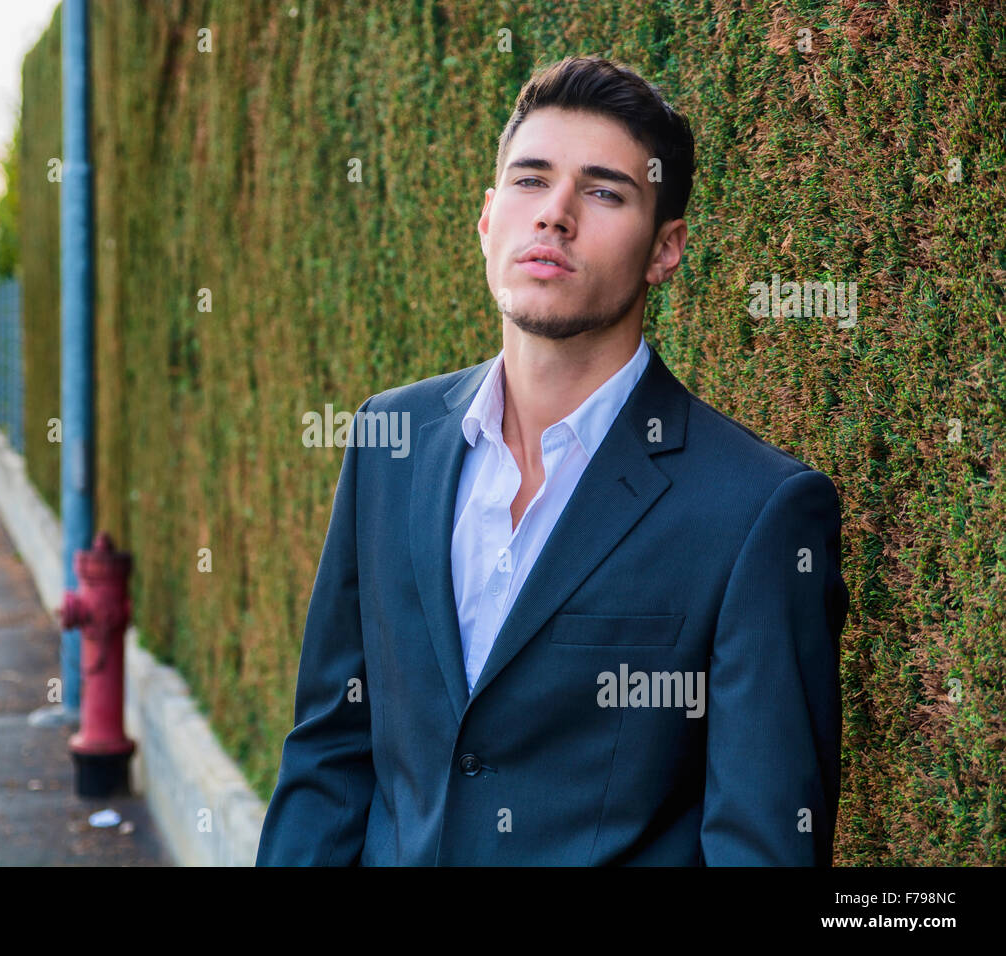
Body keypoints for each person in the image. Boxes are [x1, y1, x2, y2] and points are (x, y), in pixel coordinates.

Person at [256, 55, 848, 866]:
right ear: (489, 218)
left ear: (665, 249)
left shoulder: (758, 512)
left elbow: (764, 844)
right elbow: (330, 757)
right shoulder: (386, 443)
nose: (556, 215)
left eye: (605, 191)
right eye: (531, 182)